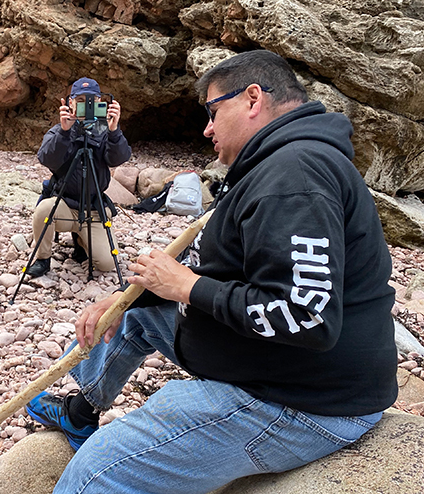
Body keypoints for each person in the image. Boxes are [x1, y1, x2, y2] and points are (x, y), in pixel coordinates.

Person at [25, 50, 398, 493]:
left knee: (96, 473)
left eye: (213, 112)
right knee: (136, 315)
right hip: (278, 365)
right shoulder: (273, 162)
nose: (206, 128)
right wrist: (132, 296)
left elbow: (308, 317)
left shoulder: (294, 177)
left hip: (304, 399)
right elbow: (231, 267)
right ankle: (82, 409)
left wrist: (188, 287)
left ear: (253, 99)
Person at [26, 77, 131, 278]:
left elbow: (119, 158)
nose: (86, 105)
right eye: (81, 100)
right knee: (43, 210)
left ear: (101, 102)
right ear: (70, 102)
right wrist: (65, 132)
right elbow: (46, 158)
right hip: (65, 204)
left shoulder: (105, 132)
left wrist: (114, 131)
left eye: (91, 100)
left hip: (92, 209)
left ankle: (81, 241)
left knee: (107, 263)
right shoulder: (60, 130)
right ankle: (42, 259)